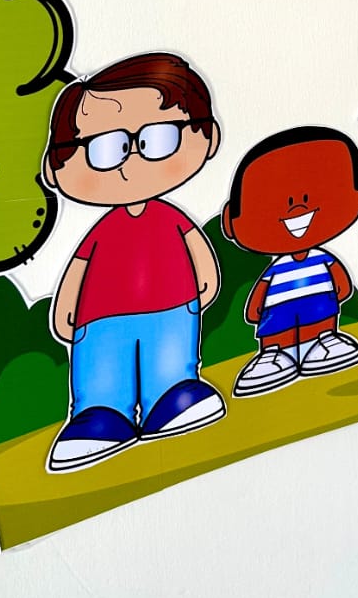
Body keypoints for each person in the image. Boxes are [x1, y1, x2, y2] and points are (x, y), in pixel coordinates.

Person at [43, 53, 226, 473]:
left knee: (170, 358)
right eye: (105, 149)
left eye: (158, 138)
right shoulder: (102, 232)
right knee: (103, 369)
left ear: (207, 136)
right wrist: (67, 307)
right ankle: (100, 415)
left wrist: (206, 276)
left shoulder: (171, 219)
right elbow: (79, 267)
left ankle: (173, 395)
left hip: (173, 307)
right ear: (57, 168)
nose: (131, 161)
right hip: (101, 319)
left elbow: (197, 251)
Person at [220, 126, 358, 396]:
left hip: (319, 314)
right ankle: (273, 354)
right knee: (277, 332)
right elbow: (259, 300)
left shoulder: (321, 259)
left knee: (320, 323)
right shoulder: (276, 270)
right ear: (231, 222)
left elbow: (342, 285)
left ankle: (324, 340)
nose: (297, 203)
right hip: (278, 318)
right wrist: (255, 310)